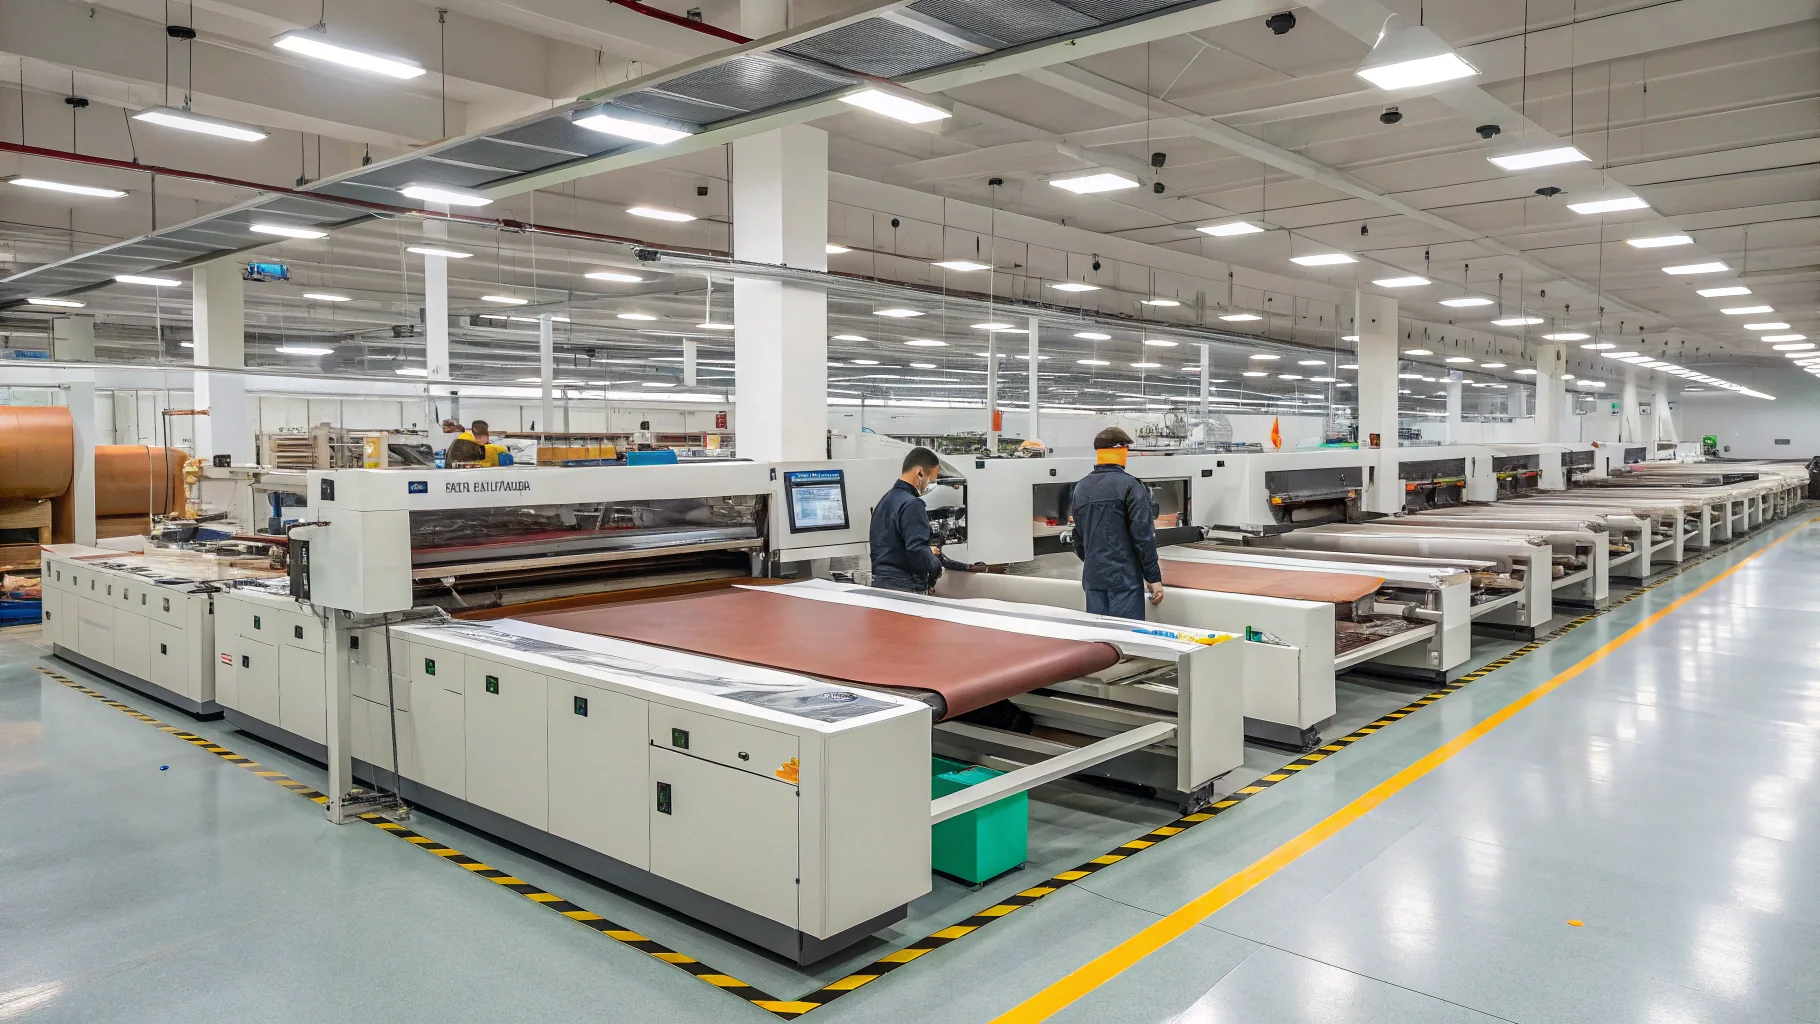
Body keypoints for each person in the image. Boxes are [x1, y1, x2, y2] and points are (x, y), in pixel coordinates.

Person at [1070, 426, 1163, 619]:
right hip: (1124, 580)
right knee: (1126, 634)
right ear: (1121, 450)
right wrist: (1153, 578)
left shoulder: (1081, 487)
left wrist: (1095, 563)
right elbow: (1143, 537)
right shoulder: (1131, 486)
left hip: (1093, 579)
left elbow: (1078, 536)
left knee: (1100, 635)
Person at [869, 446, 970, 593]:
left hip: (880, 585)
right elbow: (917, 550)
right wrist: (935, 568)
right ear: (919, 473)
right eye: (931, 480)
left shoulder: (884, 501)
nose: (929, 485)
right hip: (905, 588)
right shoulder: (912, 504)